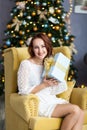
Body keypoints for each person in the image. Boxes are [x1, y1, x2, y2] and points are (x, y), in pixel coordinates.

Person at [17, 33, 84, 130]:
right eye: (36, 47)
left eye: (43, 46)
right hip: (39, 103)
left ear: (47, 47)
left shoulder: (48, 63)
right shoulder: (26, 64)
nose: (40, 51)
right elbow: (22, 91)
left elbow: (52, 91)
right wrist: (43, 85)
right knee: (75, 110)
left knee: (81, 113)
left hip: (51, 99)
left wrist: (55, 82)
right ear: (32, 49)